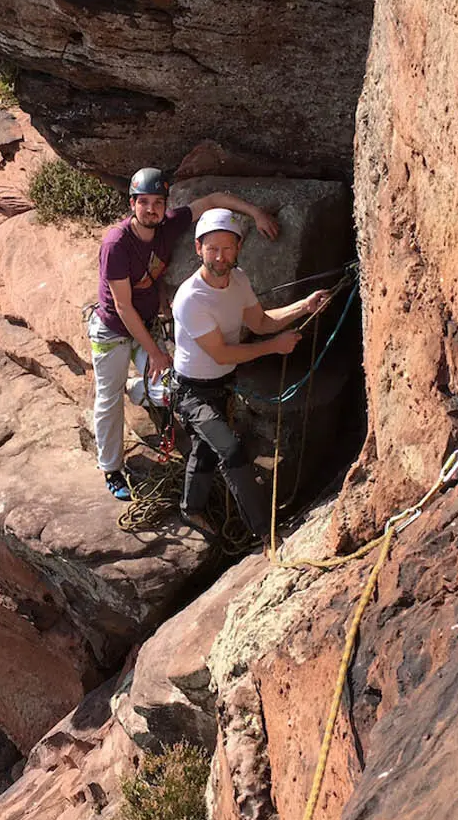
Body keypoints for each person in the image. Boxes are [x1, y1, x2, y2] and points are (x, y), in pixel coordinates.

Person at [91, 169, 279, 501]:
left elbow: (213, 201)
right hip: (113, 331)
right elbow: (122, 307)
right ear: (132, 204)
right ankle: (111, 468)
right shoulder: (116, 243)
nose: (152, 210)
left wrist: (255, 213)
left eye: (158, 203)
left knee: (169, 389)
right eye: (144, 202)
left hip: (145, 325)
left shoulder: (168, 226)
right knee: (108, 398)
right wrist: (157, 353)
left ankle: (140, 389)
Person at [170, 208, 330, 543]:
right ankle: (265, 532)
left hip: (221, 384)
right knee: (230, 450)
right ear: (198, 249)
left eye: (227, 248)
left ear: (238, 248)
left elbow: (260, 322)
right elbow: (222, 353)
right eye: (212, 249)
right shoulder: (190, 299)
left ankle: (191, 507)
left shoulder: (238, 280)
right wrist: (275, 347)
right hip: (191, 392)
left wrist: (304, 306)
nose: (220, 257)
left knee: (206, 445)